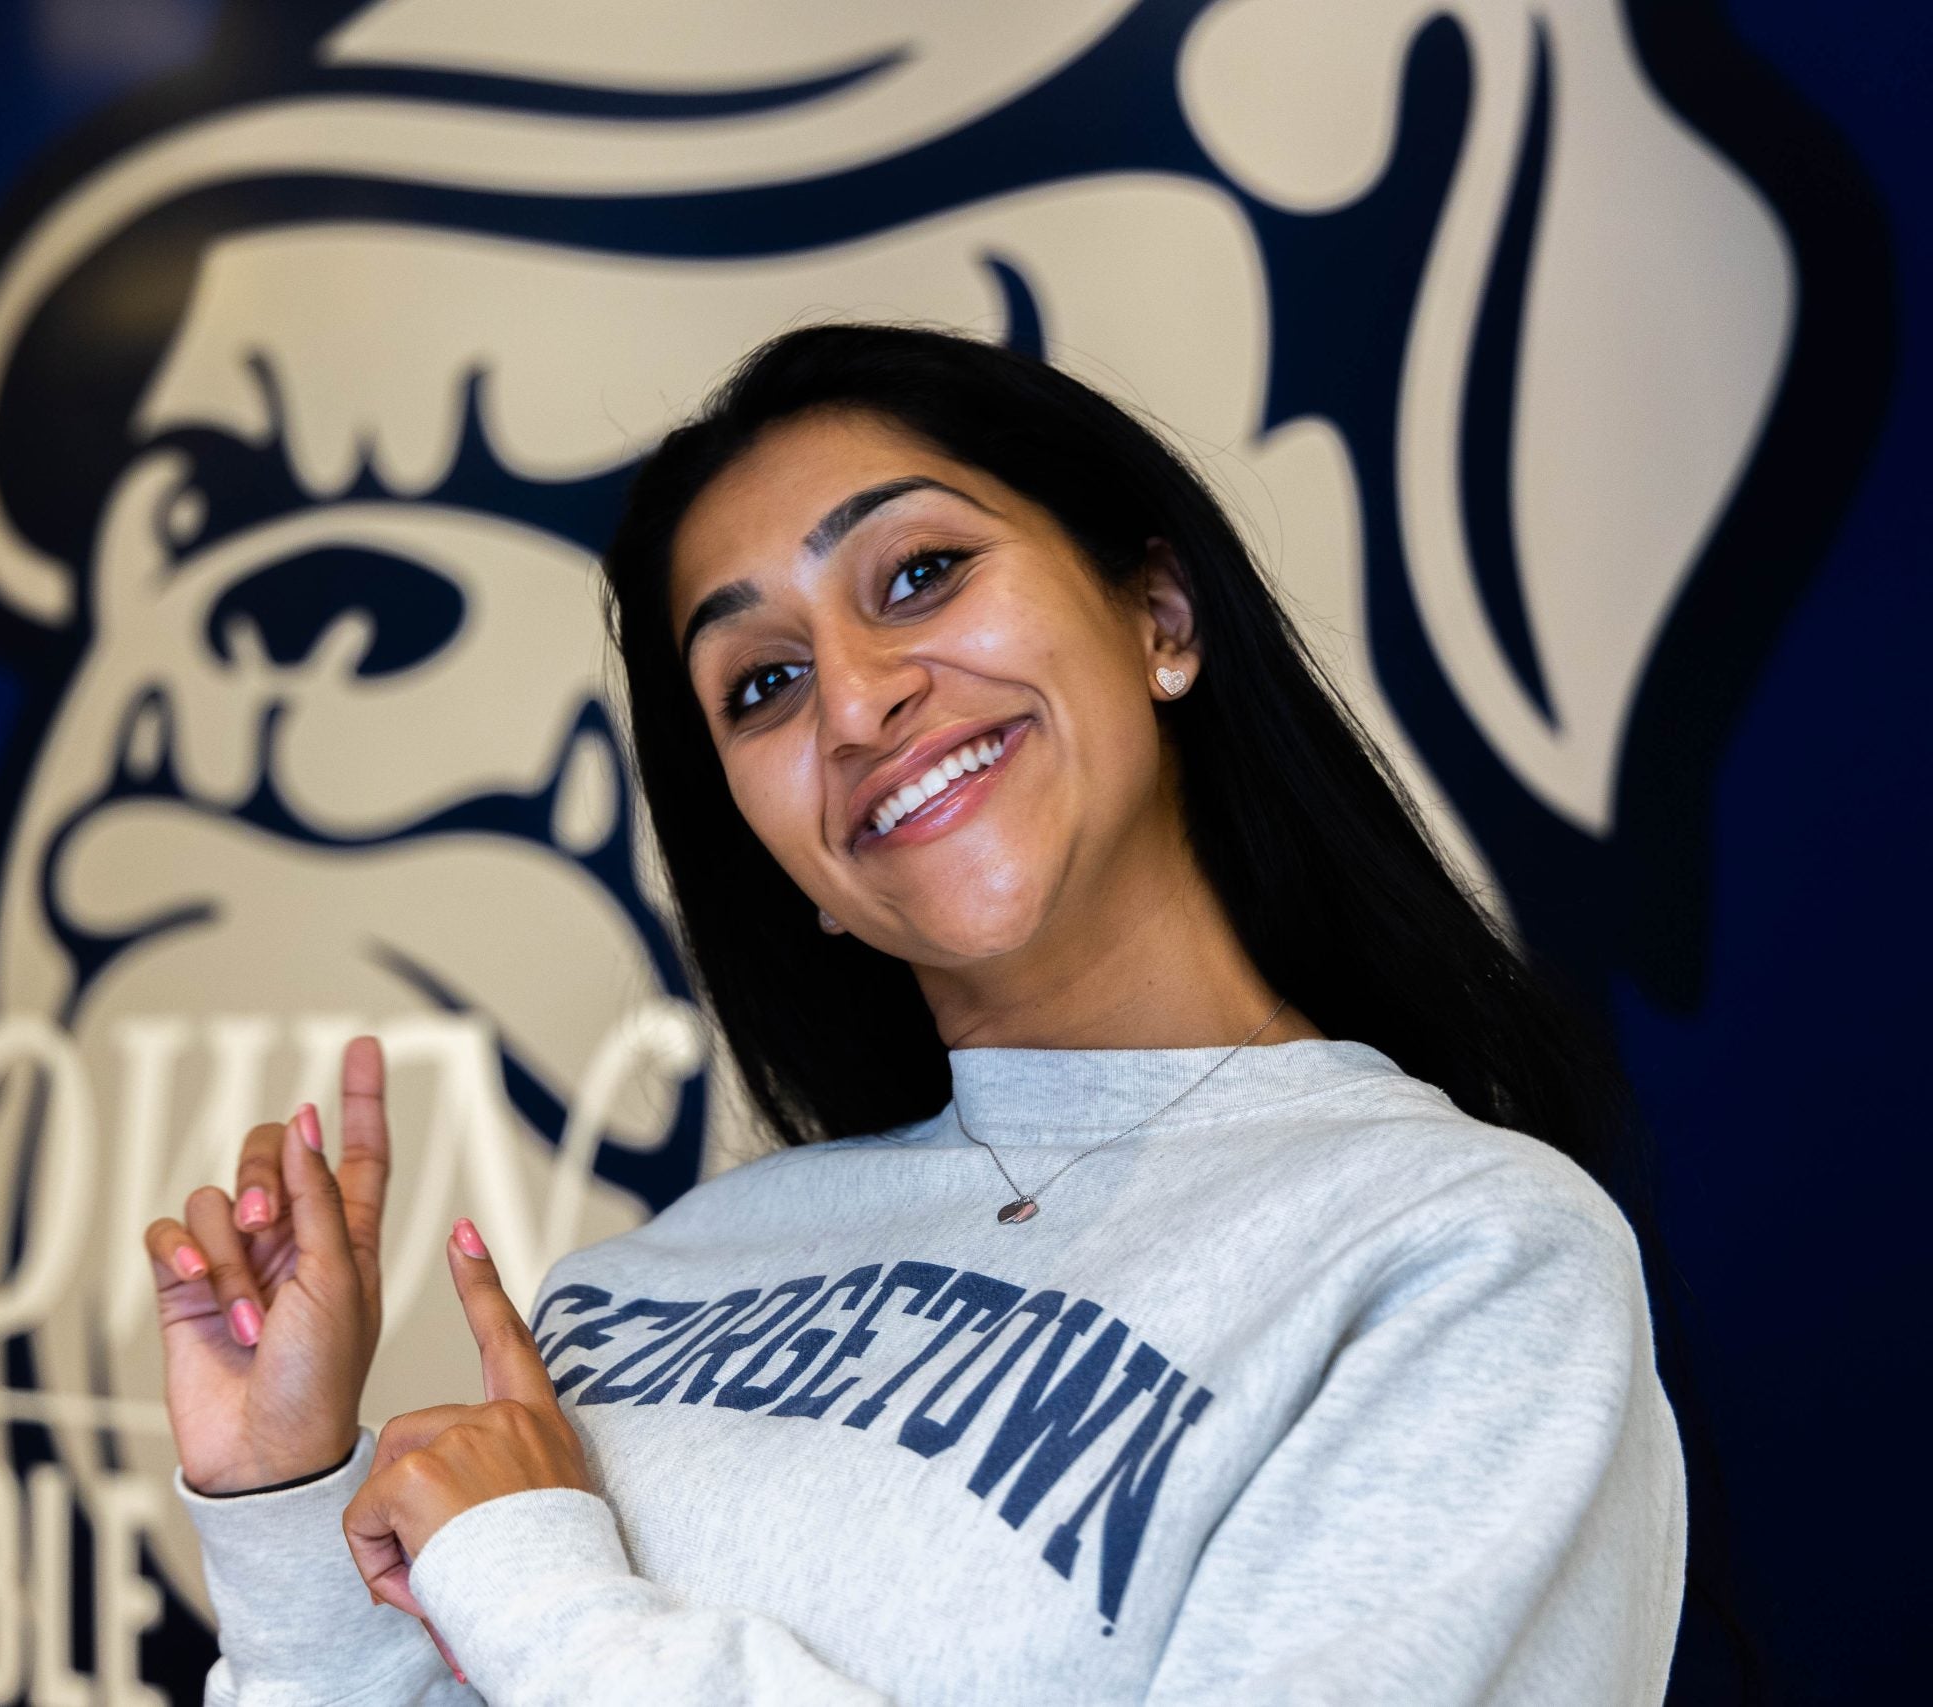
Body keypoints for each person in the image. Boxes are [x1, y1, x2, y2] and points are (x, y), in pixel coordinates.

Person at [140, 323, 1688, 1704]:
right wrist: (282, 1501)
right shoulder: (655, 1279)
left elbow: (539, 1625)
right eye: (761, 684)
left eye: (920, 574)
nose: (861, 701)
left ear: (1159, 613)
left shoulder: (1467, 1259)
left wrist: (540, 1589)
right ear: (784, 861)